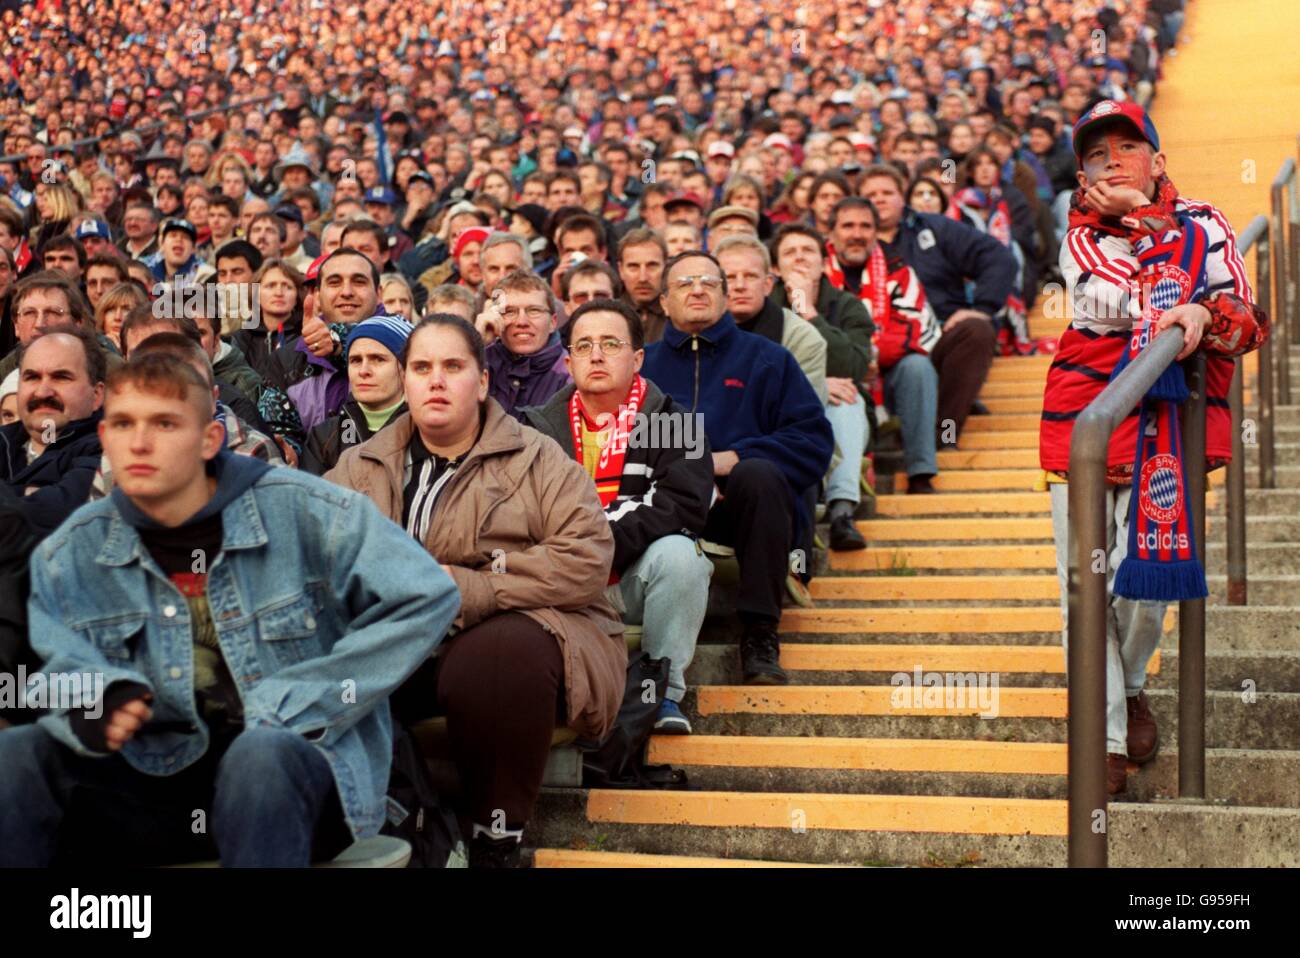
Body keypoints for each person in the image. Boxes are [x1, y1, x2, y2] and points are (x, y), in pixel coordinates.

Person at [0, 350, 459, 867]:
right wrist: (92, 700)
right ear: (104, 438)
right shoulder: (71, 552)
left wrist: (307, 697)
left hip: (288, 775)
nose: (140, 442)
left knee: (259, 758)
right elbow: (56, 667)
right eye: (123, 424)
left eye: (165, 423)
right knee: (16, 757)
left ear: (210, 439)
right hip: (151, 781)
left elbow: (425, 594)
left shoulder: (308, 511)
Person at [327, 314, 625, 867]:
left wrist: (467, 587)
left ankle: (497, 835)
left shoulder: (537, 457)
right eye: (421, 367)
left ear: (482, 382)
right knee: (330, 671)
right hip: (398, 641)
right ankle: (417, 830)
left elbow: (586, 557)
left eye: (453, 366)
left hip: (522, 635)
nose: (435, 381)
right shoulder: (361, 463)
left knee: (493, 656)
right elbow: (311, 550)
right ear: (405, 380)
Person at [1043, 100, 1268, 796]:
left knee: (1144, 582)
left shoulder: (1208, 220)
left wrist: (1204, 311)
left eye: (1127, 148)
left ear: (1160, 159)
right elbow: (1125, 305)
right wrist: (1191, 295)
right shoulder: (1078, 237)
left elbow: (1245, 318)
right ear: (1081, 180)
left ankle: (1133, 683)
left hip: (1169, 427)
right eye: (1096, 156)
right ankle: (1108, 738)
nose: (1111, 162)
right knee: (1085, 588)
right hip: (1084, 422)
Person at [523, 298, 714, 732]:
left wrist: (596, 544)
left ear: (638, 358)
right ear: (567, 361)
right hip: (558, 580)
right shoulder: (534, 429)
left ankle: (663, 693)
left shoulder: (674, 422)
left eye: (611, 343)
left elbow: (682, 504)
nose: (596, 355)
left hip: (628, 579)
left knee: (681, 555)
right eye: (584, 345)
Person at [642, 252, 833, 685]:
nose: (697, 290)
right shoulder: (643, 367)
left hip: (735, 510)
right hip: (659, 506)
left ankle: (760, 632)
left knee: (759, 474)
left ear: (725, 297)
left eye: (709, 282)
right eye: (684, 283)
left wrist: (735, 458)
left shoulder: (768, 359)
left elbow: (813, 440)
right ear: (664, 302)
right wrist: (683, 468)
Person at [858, 164, 1016, 447]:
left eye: (887, 192)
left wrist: (981, 307)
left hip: (939, 335)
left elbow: (998, 257)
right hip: (875, 343)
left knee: (976, 330)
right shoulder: (850, 240)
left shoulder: (934, 227)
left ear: (902, 195)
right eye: (870, 194)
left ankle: (943, 436)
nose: (879, 199)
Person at [822, 198, 943, 492]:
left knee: (918, 367)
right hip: (832, 375)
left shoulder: (899, 270)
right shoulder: (815, 272)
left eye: (866, 226)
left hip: (887, 374)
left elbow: (915, 329)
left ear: (877, 232)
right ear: (831, 232)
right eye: (848, 226)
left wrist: (868, 356)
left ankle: (920, 471)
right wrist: (852, 362)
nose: (857, 233)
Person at [770, 223, 876, 548]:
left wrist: (807, 311)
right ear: (775, 268)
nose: (800, 258)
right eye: (790, 252)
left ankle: (842, 511)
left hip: (840, 406)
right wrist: (814, 382)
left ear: (823, 260)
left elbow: (853, 368)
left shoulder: (849, 306)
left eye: (808, 251)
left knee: (848, 398)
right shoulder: (761, 307)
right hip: (775, 408)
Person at [301, 316, 409, 476]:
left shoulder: (426, 433)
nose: (363, 371)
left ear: (406, 368)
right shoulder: (325, 436)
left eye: (378, 359)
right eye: (356, 360)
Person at [478, 269, 572, 419]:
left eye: (533, 311)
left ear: (553, 322)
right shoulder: (481, 362)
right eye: (510, 312)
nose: (522, 322)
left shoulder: (570, 373)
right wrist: (476, 341)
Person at [616, 228, 669, 343]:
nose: (643, 278)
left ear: (666, 267)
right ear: (621, 270)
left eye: (652, 266)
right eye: (633, 266)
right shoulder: (608, 315)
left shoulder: (679, 315)